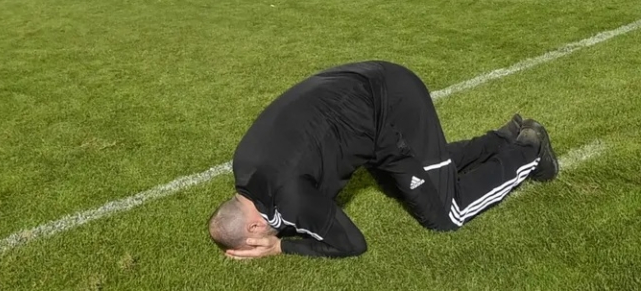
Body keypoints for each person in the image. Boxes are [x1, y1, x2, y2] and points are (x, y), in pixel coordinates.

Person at [208, 61, 558, 259]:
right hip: (357, 93)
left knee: (446, 214)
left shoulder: (291, 197)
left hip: (392, 104)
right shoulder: (243, 165)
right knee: (402, 187)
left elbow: (351, 244)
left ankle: (530, 150)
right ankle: (502, 138)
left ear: (254, 229)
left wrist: (281, 247)